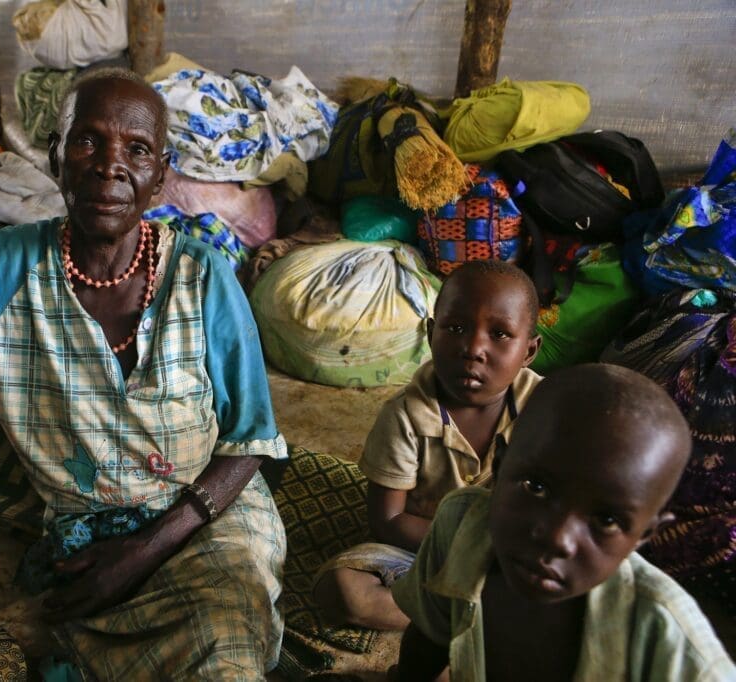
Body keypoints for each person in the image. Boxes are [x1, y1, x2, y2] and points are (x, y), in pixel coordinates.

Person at [0, 68, 289, 679]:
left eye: (138, 150)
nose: (110, 166)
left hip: (209, 517)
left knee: (223, 639)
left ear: (158, 176)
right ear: (56, 158)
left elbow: (250, 441)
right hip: (90, 536)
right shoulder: (0, 271)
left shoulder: (203, 277)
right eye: (88, 142)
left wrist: (144, 550)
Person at [390, 363, 736, 681]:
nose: (557, 537)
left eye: (607, 520)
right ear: (499, 468)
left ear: (645, 535)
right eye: (536, 487)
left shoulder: (672, 645)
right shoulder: (460, 525)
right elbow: (428, 636)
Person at [315, 260, 543, 630]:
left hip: (512, 558)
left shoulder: (546, 409)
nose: (473, 348)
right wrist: (471, 549)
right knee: (344, 590)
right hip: (422, 552)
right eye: (455, 328)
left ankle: (467, 612)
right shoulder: (405, 416)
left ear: (529, 351)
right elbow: (387, 521)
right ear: (430, 333)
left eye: (499, 334)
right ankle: (482, 617)